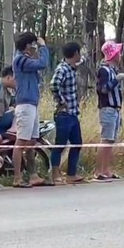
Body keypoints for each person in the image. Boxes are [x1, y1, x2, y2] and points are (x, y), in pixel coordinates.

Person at [12, 32, 50, 188]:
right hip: (25, 105)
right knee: (21, 141)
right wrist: (43, 47)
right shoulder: (21, 60)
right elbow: (43, 63)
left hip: (32, 104)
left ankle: (33, 175)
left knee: (32, 140)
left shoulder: (25, 60)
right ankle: (17, 177)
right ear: (28, 45)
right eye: (33, 44)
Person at [49, 42, 85, 184]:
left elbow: (83, 60)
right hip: (64, 114)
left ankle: (71, 174)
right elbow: (53, 85)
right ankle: (55, 174)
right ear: (75, 53)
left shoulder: (72, 68)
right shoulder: (62, 69)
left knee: (77, 143)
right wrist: (61, 101)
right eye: (79, 52)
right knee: (60, 145)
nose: (80, 55)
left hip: (73, 113)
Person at [95, 40, 124, 182]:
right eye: (118, 52)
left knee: (111, 141)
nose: (120, 55)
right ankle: (99, 171)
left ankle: (107, 170)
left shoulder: (113, 70)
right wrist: (116, 81)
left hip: (115, 109)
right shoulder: (104, 70)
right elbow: (102, 89)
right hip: (107, 109)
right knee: (105, 140)